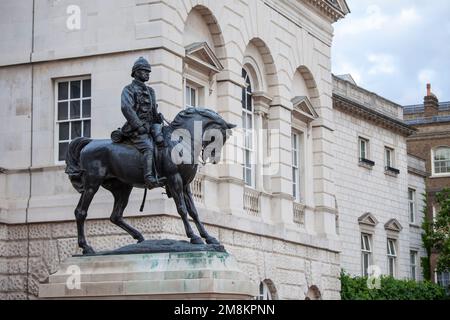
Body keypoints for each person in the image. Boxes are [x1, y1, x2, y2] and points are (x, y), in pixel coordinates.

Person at [119, 56, 165, 188]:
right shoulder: (129, 89)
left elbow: (152, 111)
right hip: (136, 129)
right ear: (136, 72)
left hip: (152, 126)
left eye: (148, 72)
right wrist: (138, 126)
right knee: (148, 148)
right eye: (145, 71)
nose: (147, 74)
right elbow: (126, 108)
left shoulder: (151, 91)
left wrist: (158, 117)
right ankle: (149, 178)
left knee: (164, 142)